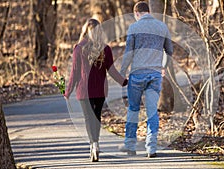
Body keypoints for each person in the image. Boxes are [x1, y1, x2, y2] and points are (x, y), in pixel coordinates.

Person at [64, 18, 128, 162]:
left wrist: (68, 91)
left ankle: (93, 144)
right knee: (96, 117)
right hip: (100, 90)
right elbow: (111, 71)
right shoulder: (105, 48)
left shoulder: (79, 48)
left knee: (89, 118)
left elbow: (74, 72)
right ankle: (96, 143)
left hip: (84, 90)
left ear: (85, 31)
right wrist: (123, 82)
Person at [119, 1, 173, 158]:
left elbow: (129, 52)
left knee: (133, 109)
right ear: (148, 11)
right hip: (155, 75)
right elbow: (169, 51)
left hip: (137, 74)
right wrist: (163, 67)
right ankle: (151, 148)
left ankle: (130, 146)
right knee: (152, 112)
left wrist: (122, 71)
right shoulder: (162, 27)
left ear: (137, 14)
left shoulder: (134, 27)